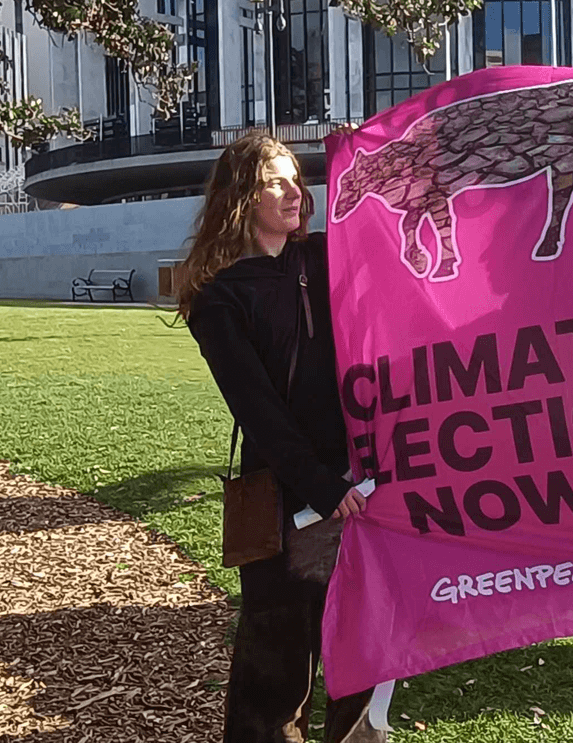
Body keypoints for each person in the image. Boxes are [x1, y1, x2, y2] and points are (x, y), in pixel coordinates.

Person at [177, 132, 384, 742]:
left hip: (365, 486)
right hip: (287, 499)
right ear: (242, 196)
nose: (296, 191)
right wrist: (321, 486)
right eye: (276, 180)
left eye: (296, 177)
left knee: (362, 655)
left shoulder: (324, 256)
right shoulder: (218, 299)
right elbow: (258, 410)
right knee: (276, 673)